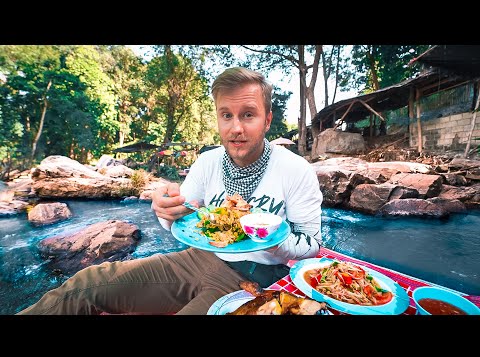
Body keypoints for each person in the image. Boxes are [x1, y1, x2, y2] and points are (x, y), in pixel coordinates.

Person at [17, 67, 323, 315]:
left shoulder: (296, 170)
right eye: (226, 115)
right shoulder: (208, 162)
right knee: (85, 285)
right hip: (195, 259)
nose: (235, 128)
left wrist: (270, 240)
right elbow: (184, 217)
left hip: (256, 279)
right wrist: (165, 210)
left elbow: (312, 246)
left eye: (248, 114)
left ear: (267, 120)